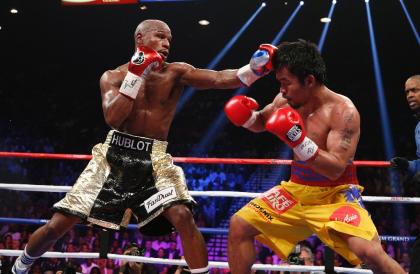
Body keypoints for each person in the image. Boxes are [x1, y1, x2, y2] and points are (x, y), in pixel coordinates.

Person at [11, 19, 269, 274]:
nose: (166, 43)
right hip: (113, 159)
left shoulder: (175, 72)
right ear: (140, 39)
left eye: (169, 38)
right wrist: (136, 73)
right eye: (159, 36)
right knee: (59, 224)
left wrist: (253, 69)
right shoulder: (113, 76)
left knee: (182, 215)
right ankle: (19, 266)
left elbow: (217, 78)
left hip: (154, 160)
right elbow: (114, 118)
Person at [225, 39, 405, 274]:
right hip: (296, 190)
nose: (281, 90)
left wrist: (299, 141)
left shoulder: (343, 111)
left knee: (370, 253)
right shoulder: (284, 100)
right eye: (279, 83)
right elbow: (262, 122)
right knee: (239, 225)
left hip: (335, 195)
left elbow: (335, 168)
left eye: (286, 83)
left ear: (309, 80)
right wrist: (247, 117)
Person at [390, 74, 420, 274]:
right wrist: (408, 165)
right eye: (407, 92)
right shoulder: (418, 127)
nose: (409, 95)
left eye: (415, 90)